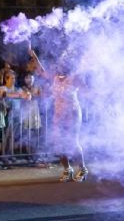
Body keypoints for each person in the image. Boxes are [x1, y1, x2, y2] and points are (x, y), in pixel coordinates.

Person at [29, 49, 88, 183]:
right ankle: (67, 169)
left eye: (64, 63)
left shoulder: (75, 78)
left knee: (72, 142)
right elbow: (42, 71)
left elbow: (87, 91)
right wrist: (34, 56)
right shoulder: (55, 77)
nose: (61, 65)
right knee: (59, 143)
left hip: (72, 113)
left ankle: (83, 169)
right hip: (59, 114)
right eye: (60, 63)